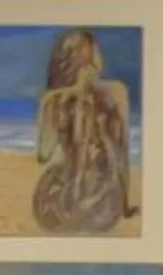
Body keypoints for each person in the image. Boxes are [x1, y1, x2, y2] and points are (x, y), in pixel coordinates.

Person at [32, 28, 135, 236]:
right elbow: (122, 155)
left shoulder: (53, 99)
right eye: (97, 49)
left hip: (57, 203)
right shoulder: (117, 92)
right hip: (104, 204)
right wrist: (125, 206)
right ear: (91, 55)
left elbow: (43, 155)